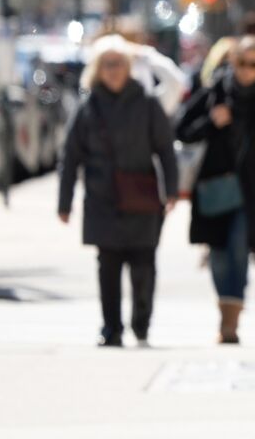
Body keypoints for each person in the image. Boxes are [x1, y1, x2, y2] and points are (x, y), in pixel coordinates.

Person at [58, 35, 179, 348]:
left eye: (119, 64)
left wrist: (172, 190)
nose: (113, 70)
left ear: (129, 68)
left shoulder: (148, 103)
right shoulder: (88, 107)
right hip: (102, 199)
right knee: (108, 266)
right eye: (107, 64)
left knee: (143, 265)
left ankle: (141, 323)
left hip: (142, 196)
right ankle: (111, 328)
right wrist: (64, 202)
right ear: (98, 69)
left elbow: (165, 149)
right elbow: (70, 156)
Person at [177, 36, 255, 339]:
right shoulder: (214, 93)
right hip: (213, 188)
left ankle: (230, 323)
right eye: (241, 63)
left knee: (239, 249)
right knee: (218, 254)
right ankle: (224, 310)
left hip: (252, 193)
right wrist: (211, 122)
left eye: (254, 64)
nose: (246, 70)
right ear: (231, 62)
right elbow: (182, 130)